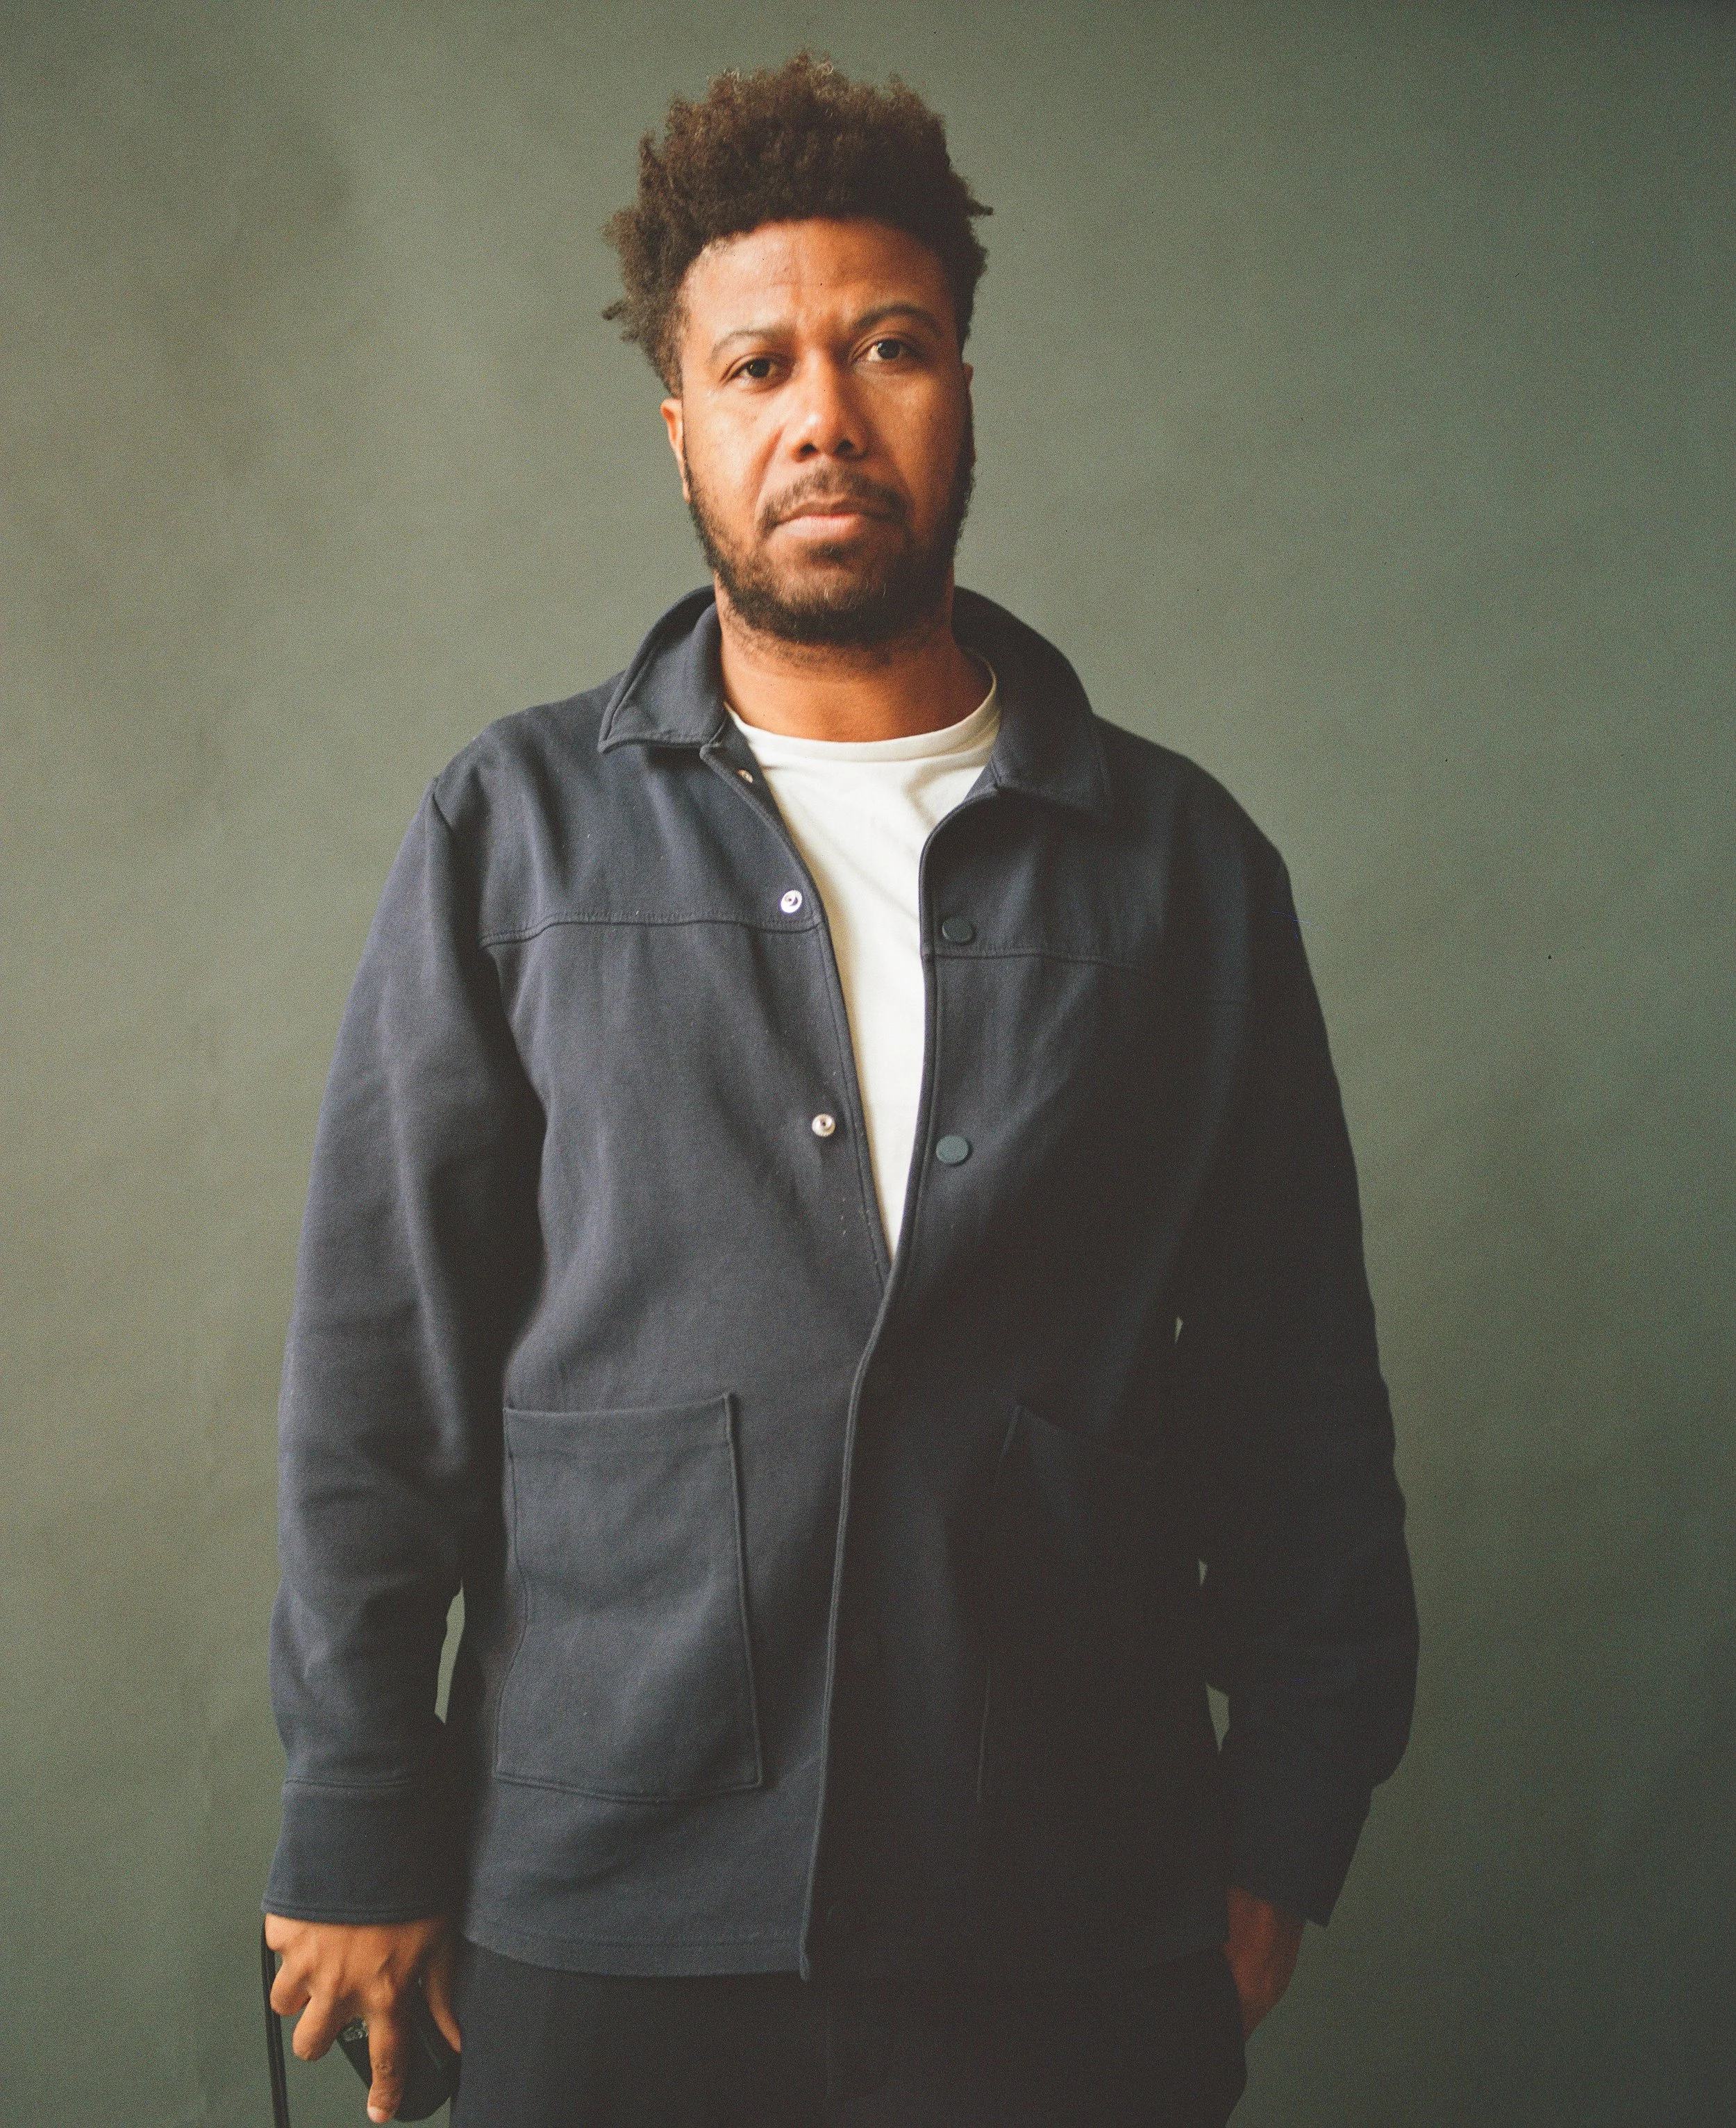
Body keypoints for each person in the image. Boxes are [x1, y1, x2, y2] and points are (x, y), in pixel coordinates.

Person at [263, 53, 1417, 2128]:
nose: (824, 415)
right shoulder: (514, 837)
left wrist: (1285, 1820)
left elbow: (1296, 1386)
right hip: (601, 1900)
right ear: (682, 425)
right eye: (758, 365)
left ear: (961, 381)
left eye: (887, 346)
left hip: (1070, 1904)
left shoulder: (1178, 868)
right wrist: (358, 1820)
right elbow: (380, 1367)